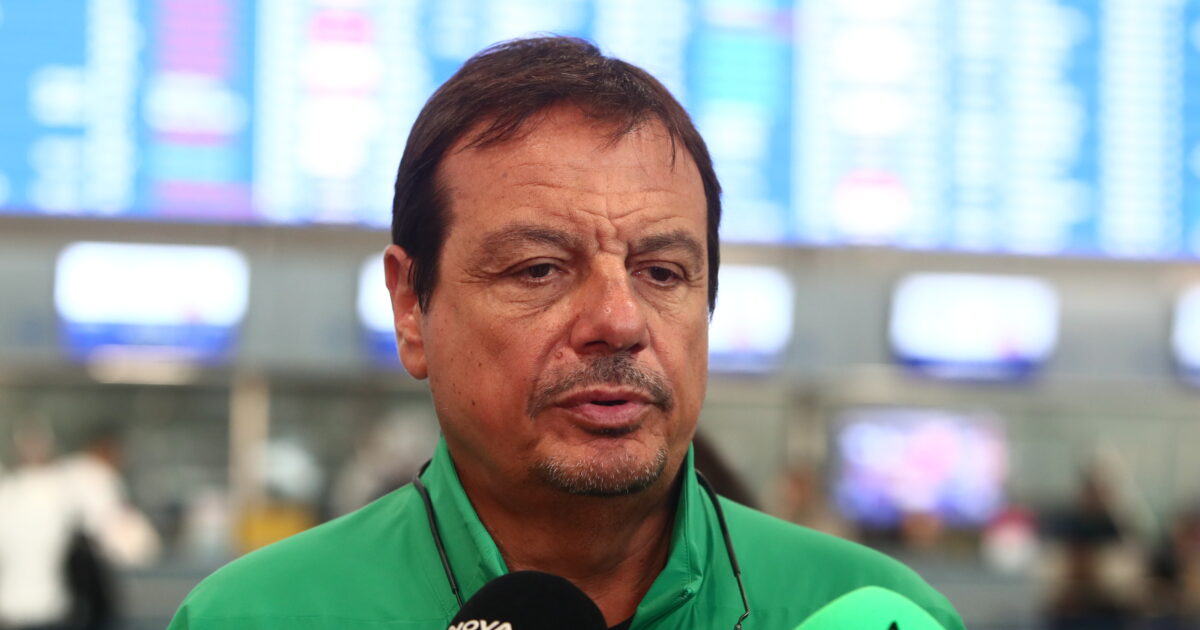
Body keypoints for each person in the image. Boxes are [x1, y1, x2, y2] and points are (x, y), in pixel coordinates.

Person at [169, 36, 964, 629]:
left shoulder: (869, 611)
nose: (619, 321)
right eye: (540, 269)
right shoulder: (256, 617)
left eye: (662, 272)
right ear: (411, 306)